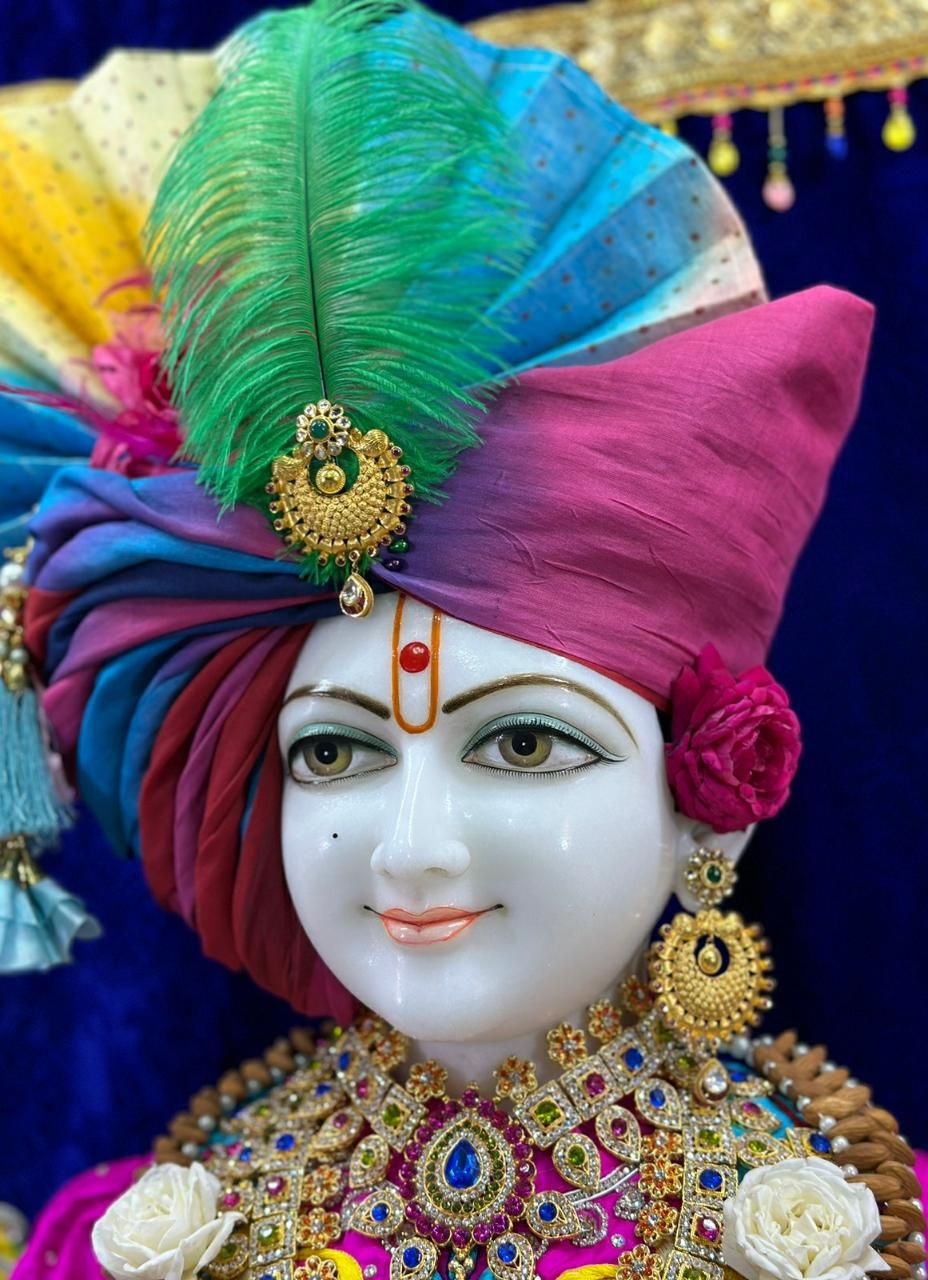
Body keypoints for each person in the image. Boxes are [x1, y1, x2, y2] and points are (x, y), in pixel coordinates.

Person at [1, 2, 924, 1279]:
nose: (412, 845)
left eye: (525, 739)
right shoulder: (127, 1242)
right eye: (332, 754)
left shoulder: (862, 1229)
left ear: (716, 797)